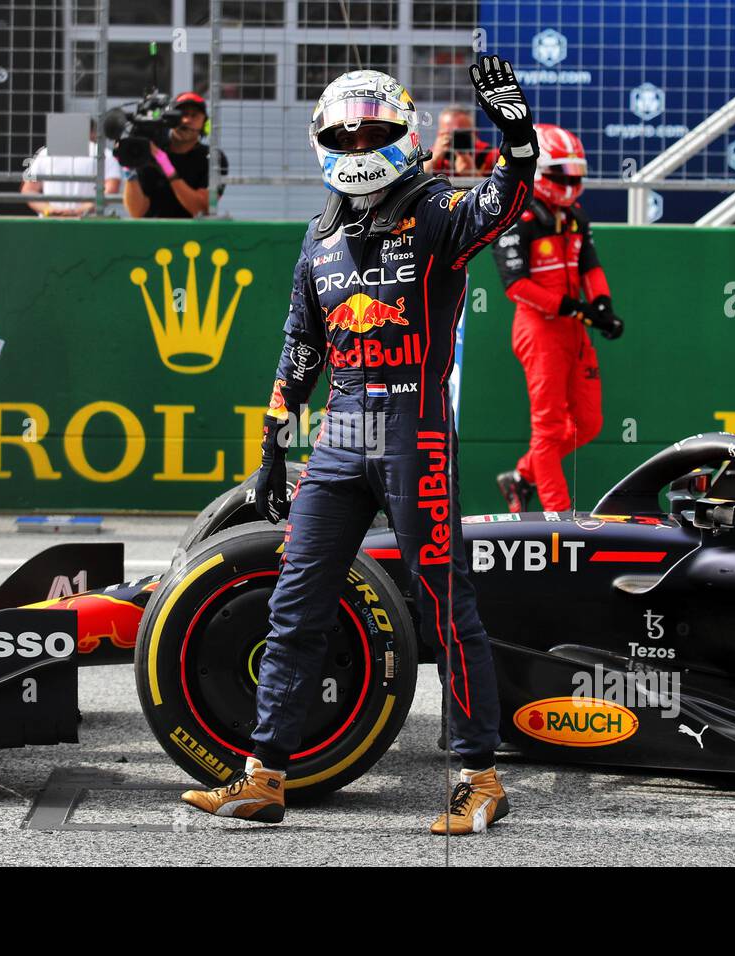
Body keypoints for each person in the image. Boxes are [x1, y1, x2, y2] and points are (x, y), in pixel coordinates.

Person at [180, 56, 538, 834]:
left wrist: (516, 136)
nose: (356, 141)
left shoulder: (438, 207)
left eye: (371, 128)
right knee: (294, 604)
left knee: (447, 604)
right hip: (339, 435)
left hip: (417, 431)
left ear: (402, 132)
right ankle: (263, 775)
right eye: (343, 131)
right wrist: (273, 448)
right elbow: (298, 349)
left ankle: (479, 777)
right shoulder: (319, 234)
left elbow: (503, 204)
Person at [491, 124, 622, 514]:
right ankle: (558, 518)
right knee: (548, 431)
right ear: (541, 171)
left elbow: (591, 268)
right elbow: (516, 287)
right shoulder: (517, 216)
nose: (570, 183)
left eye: (576, 175)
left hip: (574, 330)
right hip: (538, 330)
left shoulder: (576, 216)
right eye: (562, 175)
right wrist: (573, 308)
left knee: (589, 423)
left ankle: (521, 476)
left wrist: (602, 306)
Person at [121, 91, 226, 219]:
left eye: (194, 115)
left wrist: (169, 171)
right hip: (154, 233)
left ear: (205, 123)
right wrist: (129, 171)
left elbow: (201, 209)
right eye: (181, 114)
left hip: (193, 236)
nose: (187, 120)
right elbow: (136, 212)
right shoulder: (151, 153)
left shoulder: (213, 158)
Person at [20, 118, 121, 217]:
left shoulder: (45, 153)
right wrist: (79, 211)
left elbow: (28, 190)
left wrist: (50, 210)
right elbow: (111, 189)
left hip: (51, 223)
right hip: (88, 223)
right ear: (92, 132)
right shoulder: (104, 154)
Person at [423, 104, 499, 178]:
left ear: (474, 133)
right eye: (449, 134)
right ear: (439, 134)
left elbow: (502, 187)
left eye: (462, 134)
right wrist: (434, 160)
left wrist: (474, 175)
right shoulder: (431, 155)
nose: (455, 139)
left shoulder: (491, 155)